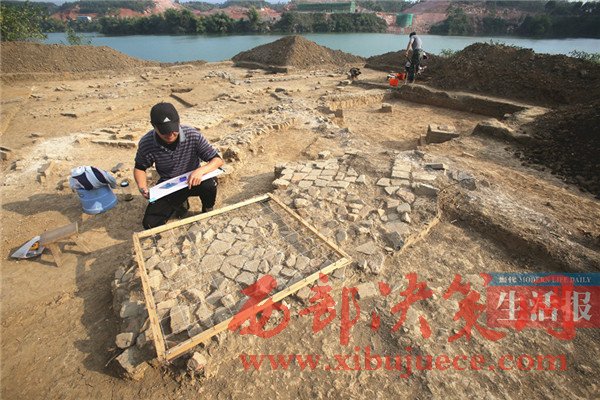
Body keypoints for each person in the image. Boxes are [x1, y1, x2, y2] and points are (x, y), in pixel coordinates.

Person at [134, 102, 224, 229]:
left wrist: (200, 171)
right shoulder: (147, 143)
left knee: (209, 184)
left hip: (193, 180)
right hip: (169, 185)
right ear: (154, 126)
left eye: (173, 129)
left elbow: (217, 160)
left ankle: (208, 208)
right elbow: (140, 168)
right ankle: (181, 204)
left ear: (178, 122)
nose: (170, 134)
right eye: (164, 131)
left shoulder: (192, 134)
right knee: (150, 224)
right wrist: (142, 187)